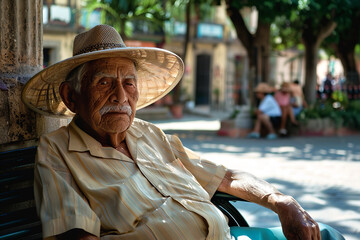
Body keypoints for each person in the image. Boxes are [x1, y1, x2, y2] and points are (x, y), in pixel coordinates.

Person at [22, 25, 343, 240]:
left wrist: (283, 202)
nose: (120, 96)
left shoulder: (151, 134)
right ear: (71, 96)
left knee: (325, 233)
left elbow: (225, 177)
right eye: (104, 82)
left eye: (128, 82)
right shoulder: (57, 151)